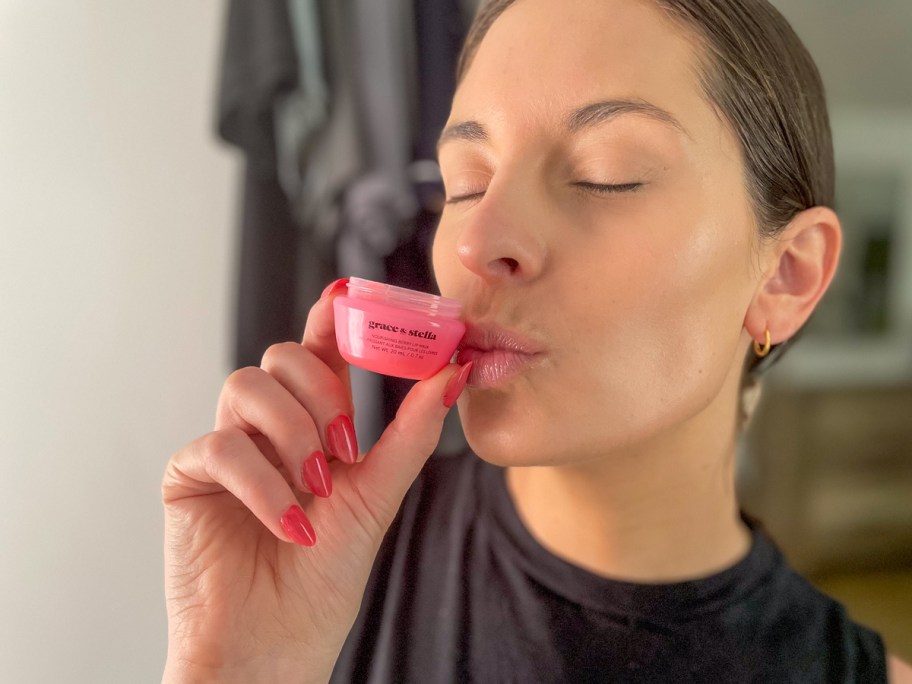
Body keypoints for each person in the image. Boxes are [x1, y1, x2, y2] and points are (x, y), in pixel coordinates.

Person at [161, 0, 912, 681]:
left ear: (784, 275)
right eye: (464, 183)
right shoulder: (330, 560)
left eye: (603, 173)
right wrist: (237, 669)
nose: (478, 239)